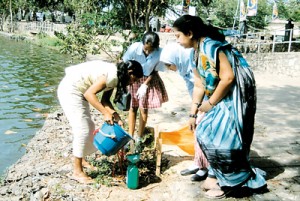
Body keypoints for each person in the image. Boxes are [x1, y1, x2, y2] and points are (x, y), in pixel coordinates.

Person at [173, 15, 266, 199]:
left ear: (190, 33)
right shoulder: (195, 53)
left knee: (220, 136)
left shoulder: (211, 46)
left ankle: (235, 182)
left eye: (177, 36)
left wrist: (210, 103)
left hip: (235, 94)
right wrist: (193, 113)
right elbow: (199, 85)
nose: (176, 41)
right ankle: (219, 175)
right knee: (204, 131)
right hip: (221, 93)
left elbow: (228, 78)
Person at [57, 60, 143, 184]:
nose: (132, 83)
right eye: (133, 79)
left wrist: (115, 115)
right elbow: (89, 94)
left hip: (80, 90)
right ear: (129, 73)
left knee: (89, 126)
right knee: (82, 129)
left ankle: (82, 160)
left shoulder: (117, 76)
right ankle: (77, 171)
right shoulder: (112, 75)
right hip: (71, 90)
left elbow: (105, 101)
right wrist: (105, 113)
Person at [160, 42, 209, 182]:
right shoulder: (184, 69)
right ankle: (198, 163)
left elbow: (204, 87)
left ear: (177, 58)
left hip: (210, 103)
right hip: (200, 105)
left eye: (169, 65)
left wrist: (201, 109)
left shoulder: (195, 62)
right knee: (197, 131)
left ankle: (206, 168)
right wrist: (194, 109)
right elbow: (192, 90)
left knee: (203, 132)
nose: (170, 69)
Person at [122, 31, 168, 152]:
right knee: (132, 107)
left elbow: (155, 71)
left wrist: (145, 85)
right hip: (133, 78)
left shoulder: (160, 53)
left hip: (147, 79)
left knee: (143, 108)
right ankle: (130, 136)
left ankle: (139, 137)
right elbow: (126, 64)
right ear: (143, 43)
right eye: (146, 49)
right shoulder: (134, 48)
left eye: (151, 50)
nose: (148, 52)